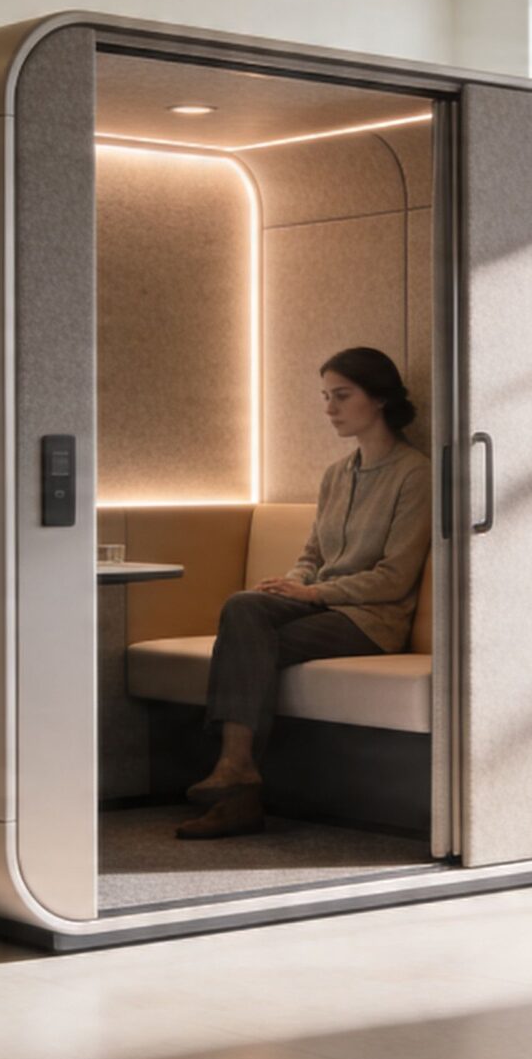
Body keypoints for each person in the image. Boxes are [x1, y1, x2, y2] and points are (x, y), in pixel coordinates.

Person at [178, 346, 430, 839]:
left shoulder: (414, 474)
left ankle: (237, 782)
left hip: (371, 622)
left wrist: (312, 595)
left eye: (342, 396)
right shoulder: (337, 474)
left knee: (244, 632)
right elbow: (312, 554)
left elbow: (395, 577)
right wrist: (292, 584)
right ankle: (238, 775)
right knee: (247, 618)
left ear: (379, 399)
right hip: (323, 608)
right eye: (325, 397)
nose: (330, 409)